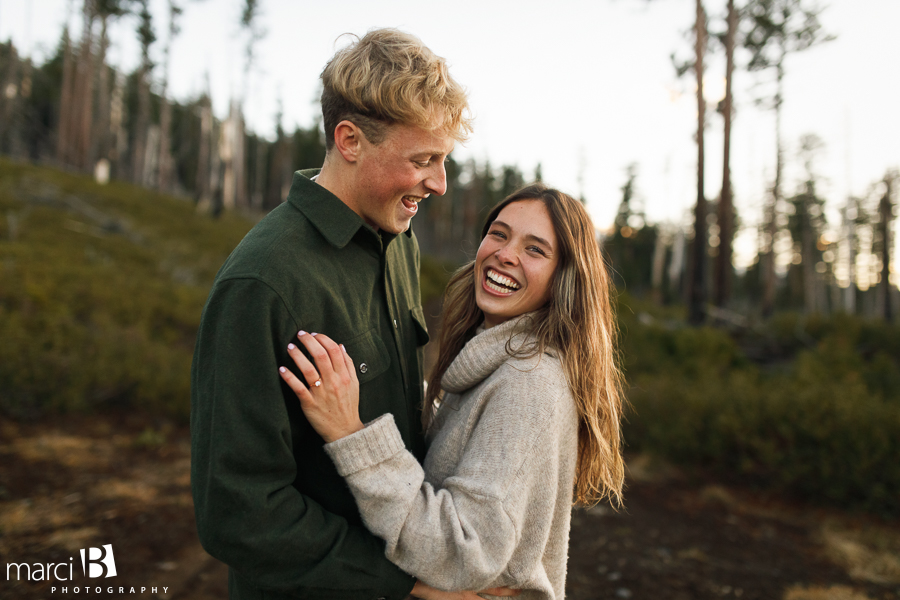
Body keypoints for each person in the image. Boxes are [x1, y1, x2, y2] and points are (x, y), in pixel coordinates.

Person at [190, 28, 494, 600]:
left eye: (444, 160)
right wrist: (404, 586)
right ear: (350, 140)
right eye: (423, 159)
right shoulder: (260, 284)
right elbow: (238, 511)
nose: (440, 183)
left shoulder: (397, 241)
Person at [280, 184, 627, 600]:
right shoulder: (494, 358)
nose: (506, 253)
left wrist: (350, 433)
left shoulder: (528, 384)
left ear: (564, 279)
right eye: (499, 234)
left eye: (535, 250)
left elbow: (462, 551)